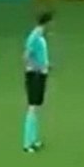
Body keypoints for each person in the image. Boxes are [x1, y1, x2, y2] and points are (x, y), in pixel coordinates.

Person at [23, 11, 53, 153]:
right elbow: (26, 56)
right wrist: (38, 68)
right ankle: (27, 143)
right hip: (34, 75)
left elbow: (39, 56)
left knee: (37, 107)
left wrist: (46, 65)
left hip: (40, 75)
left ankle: (34, 140)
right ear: (47, 23)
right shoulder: (34, 37)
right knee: (32, 107)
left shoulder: (40, 37)